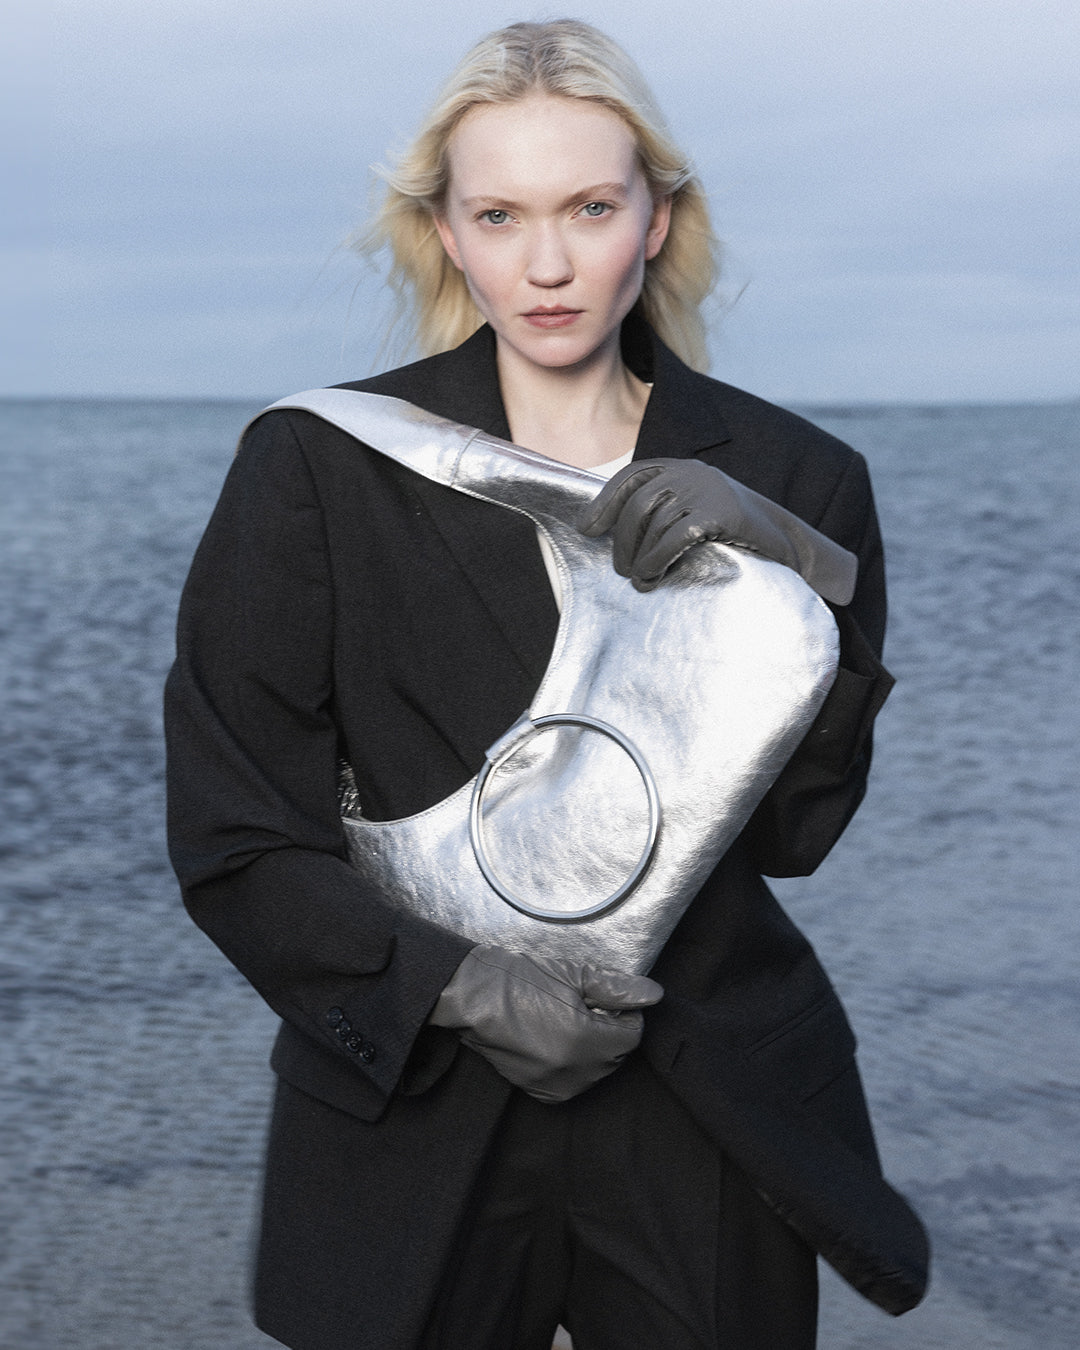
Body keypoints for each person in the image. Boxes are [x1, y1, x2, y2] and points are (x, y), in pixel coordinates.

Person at [164, 19, 929, 1350]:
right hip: (413, 1115)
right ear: (449, 235)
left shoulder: (802, 481)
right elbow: (236, 839)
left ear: (657, 218)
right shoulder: (318, 468)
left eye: (590, 206)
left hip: (704, 1111)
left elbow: (800, 835)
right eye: (502, 214)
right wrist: (460, 987)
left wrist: (790, 573)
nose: (552, 260)